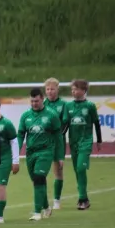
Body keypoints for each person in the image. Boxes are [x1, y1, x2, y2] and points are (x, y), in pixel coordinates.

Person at [17, 88, 64, 221]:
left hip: (46, 151)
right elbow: (20, 135)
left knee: (39, 177)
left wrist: (60, 156)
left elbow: (58, 137)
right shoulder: (25, 115)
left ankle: (37, 212)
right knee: (37, 181)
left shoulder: (51, 115)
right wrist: (16, 151)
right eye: (32, 101)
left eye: (36, 101)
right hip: (30, 153)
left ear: (42, 99)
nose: (34, 104)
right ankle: (46, 207)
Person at [62, 79, 102, 210]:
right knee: (77, 171)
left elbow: (96, 123)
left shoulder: (90, 106)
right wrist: (59, 138)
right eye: (72, 89)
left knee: (80, 168)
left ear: (83, 90)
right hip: (73, 142)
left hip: (86, 141)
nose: (73, 91)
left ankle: (82, 198)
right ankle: (84, 198)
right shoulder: (68, 106)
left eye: (76, 89)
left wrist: (99, 141)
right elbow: (65, 125)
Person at [43, 78, 67, 209]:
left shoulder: (63, 104)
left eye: (52, 89)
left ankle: (57, 200)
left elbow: (65, 123)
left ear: (57, 89)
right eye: (47, 89)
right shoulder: (42, 104)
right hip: (44, 143)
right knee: (42, 172)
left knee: (58, 170)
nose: (50, 91)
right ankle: (43, 200)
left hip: (58, 142)